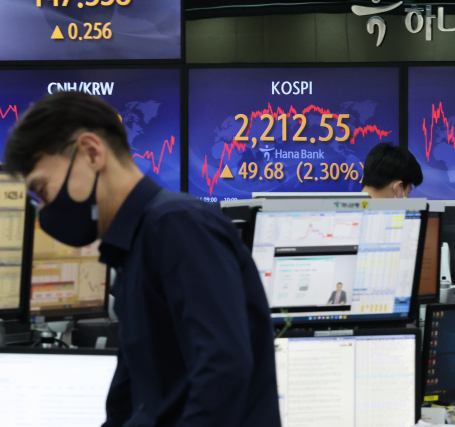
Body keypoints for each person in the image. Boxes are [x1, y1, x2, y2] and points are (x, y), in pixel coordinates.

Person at [2, 92, 280, 427]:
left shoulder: (177, 224)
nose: (45, 212)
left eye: (44, 191)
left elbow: (223, 371)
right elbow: (133, 399)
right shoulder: (134, 245)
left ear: (91, 152)